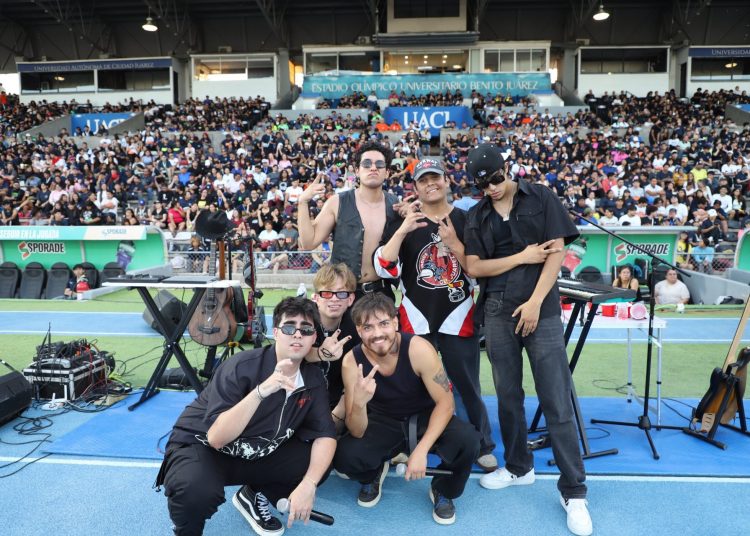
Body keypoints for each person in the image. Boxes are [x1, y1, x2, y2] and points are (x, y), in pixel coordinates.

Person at [462, 144, 592, 536]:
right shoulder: (478, 214)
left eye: (495, 179)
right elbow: (475, 266)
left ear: (507, 169)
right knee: (507, 397)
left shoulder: (541, 197)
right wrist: (522, 257)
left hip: (542, 309)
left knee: (556, 399)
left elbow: (556, 251)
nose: (491, 188)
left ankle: (574, 491)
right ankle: (519, 467)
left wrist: (535, 302)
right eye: (482, 185)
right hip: (496, 309)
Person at [156, 297, 337, 536]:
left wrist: (309, 484)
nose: (297, 334)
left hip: (254, 449)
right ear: (275, 332)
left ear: (314, 338)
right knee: (195, 491)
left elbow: (325, 435)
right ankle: (187, 531)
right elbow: (216, 438)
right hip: (203, 446)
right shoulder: (240, 366)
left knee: (317, 463)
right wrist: (261, 392)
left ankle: (252, 494)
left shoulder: (312, 379)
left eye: (306, 329)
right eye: (289, 327)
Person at [374, 158, 497, 472]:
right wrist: (403, 227)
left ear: (446, 180)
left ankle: (481, 443)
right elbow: (384, 267)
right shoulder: (404, 221)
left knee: (466, 384)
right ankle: (408, 444)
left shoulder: (467, 219)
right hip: (416, 317)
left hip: (459, 315)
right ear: (415, 187)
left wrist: (454, 245)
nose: (431, 184)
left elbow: (478, 267)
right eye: (423, 180)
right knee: (412, 386)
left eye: (435, 178)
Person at [332, 293, 480, 525]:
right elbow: (357, 430)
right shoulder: (352, 362)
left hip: (425, 416)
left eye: (383, 323)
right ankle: (374, 472)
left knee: (468, 441)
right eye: (368, 327)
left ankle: (443, 489)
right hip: (383, 420)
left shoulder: (419, 349)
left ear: (395, 322)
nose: (377, 333)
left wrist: (421, 451)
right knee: (344, 456)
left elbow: (446, 403)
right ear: (359, 330)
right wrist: (359, 403)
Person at [297, 141, 399, 301]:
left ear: (387, 172)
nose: (373, 168)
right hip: (342, 294)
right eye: (367, 164)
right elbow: (308, 243)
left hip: (381, 293)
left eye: (379, 165)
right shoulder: (337, 202)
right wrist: (303, 202)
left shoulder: (396, 205)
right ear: (357, 171)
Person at [308, 263, 360, 433]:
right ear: (316, 297)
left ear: (350, 299)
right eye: (327, 293)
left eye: (341, 293)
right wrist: (320, 353)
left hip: (337, 403)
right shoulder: (302, 320)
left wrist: (338, 415)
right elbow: (284, 353)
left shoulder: (356, 327)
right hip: (300, 401)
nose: (334, 299)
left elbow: (357, 377)